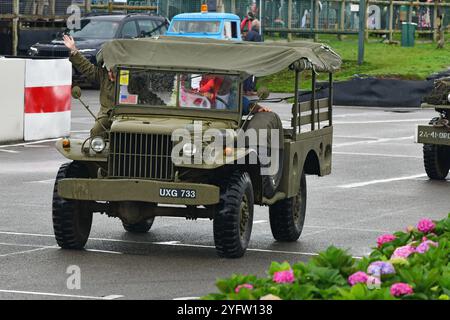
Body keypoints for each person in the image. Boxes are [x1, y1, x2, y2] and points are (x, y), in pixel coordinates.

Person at [63, 34, 114, 138]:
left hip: (129, 114)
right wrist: (74, 50)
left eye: (115, 71)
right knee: (96, 132)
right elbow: (87, 68)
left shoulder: (132, 78)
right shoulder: (103, 75)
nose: (111, 74)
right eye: (109, 70)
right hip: (108, 114)